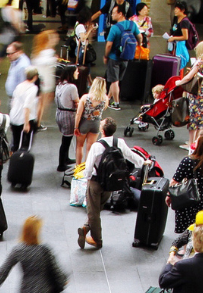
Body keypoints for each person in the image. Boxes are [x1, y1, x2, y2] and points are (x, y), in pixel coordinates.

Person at [79, 118, 142, 249]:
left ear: (102, 130)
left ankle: (97, 240)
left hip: (96, 181)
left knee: (93, 211)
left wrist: (87, 178)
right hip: (111, 182)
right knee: (98, 207)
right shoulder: (120, 142)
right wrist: (143, 162)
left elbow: (89, 167)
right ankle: (85, 228)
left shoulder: (97, 146)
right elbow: (130, 155)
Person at [170, 133, 203, 232]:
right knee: (202, 229)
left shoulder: (188, 161)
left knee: (187, 231)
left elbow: (174, 181)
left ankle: (187, 247)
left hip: (188, 199)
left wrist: (169, 196)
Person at [72, 77, 108, 174]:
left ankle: (78, 168)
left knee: (79, 146)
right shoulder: (105, 98)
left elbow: (78, 114)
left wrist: (76, 127)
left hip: (84, 123)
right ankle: (86, 168)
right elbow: (103, 109)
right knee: (90, 148)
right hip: (96, 124)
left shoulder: (85, 97)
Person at [100, 5, 132, 110]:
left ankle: (116, 103)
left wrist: (106, 55)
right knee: (116, 79)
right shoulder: (132, 25)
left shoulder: (114, 28)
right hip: (126, 57)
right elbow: (139, 37)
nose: (112, 14)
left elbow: (109, 45)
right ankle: (108, 98)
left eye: (114, 12)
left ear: (120, 14)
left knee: (114, 81)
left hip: (114, 57)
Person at [54, 66, 82, 171]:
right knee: (66, 140)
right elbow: (76, 102)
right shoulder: (72, 87)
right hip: (68, 115)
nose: (78, 73)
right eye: (76, 71)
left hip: (59, 113)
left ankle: (65, 158)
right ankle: (61, 164)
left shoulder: (59, 85)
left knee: (66, 139)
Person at [9, 67, 41, 156]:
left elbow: (13, 101)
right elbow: (27, 106)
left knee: (15, 141)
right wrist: (26, 123)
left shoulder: (19, 86)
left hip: (14, 116)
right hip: (25, 118)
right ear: (35, 77)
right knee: (25, 144)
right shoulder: (33, 88)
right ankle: (21, 159)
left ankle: (13, 158)